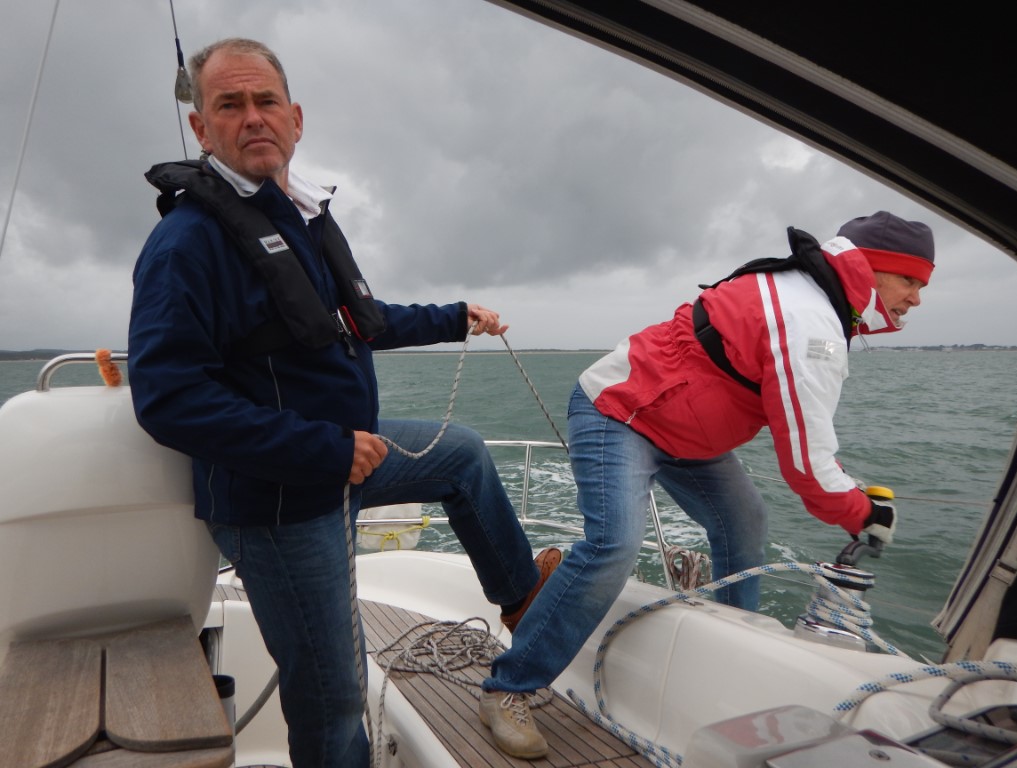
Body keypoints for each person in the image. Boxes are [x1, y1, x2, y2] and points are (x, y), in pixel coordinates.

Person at [127, 38, 560, 768]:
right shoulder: (186, 244)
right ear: (201, 129)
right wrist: (325, 450)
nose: (253, 117)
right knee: (333, 703)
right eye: (230, 105)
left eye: (266, 101)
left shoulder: (300, 216)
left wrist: (456, 317)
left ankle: (521, 601)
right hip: (279, 503)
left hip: (337, 462)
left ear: (295, 119)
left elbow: (362, 319)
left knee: (462, 455)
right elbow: (169, 399)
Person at [479, 211, 934, 758]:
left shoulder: (814, 300)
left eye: (921, 285)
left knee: (745, 522)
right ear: (870, 267)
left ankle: (738, 652)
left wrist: (851, 496)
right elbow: (807, 465)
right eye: (909, 280)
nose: (916, 298)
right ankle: (509, 687)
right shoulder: (810, 321)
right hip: (620, 411)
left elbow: (804, 439)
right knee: (613, 545)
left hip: (687, 436)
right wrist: (864, 513)